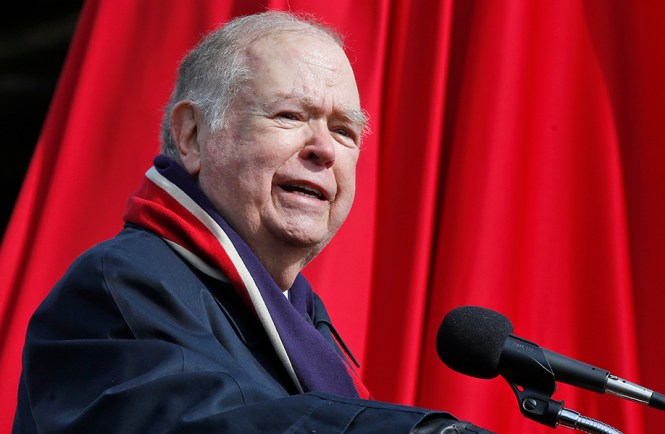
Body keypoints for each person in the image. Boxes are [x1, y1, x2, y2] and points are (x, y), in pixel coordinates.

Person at [13, 11, 491, 433]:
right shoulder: (118, 287)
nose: (323, 150)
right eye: (289, 115)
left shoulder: (302, 318)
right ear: (193, 136)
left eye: (344, 130)